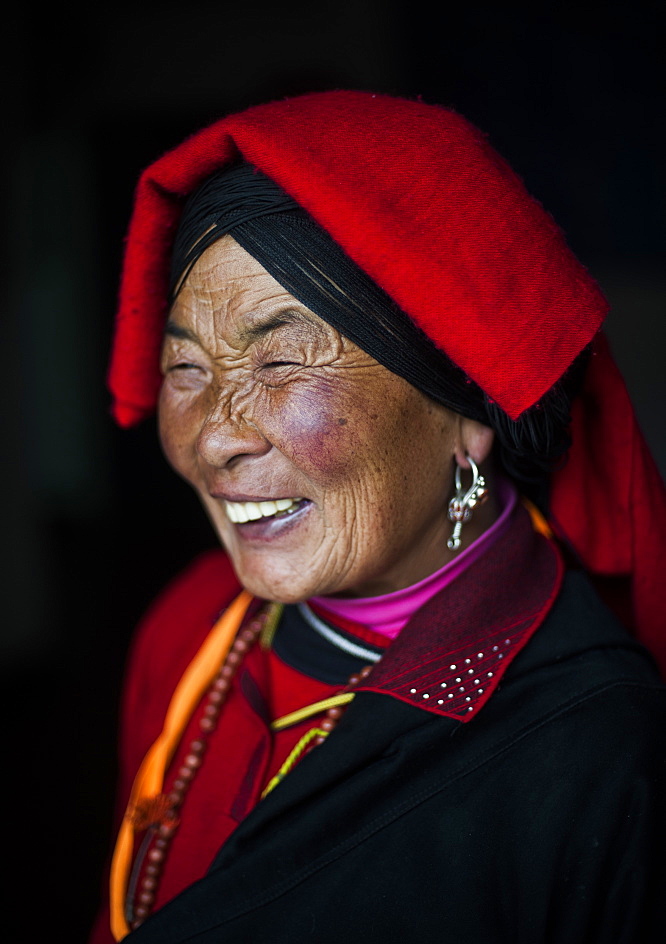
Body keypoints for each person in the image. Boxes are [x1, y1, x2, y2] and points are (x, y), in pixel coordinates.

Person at [90, 91, 666, 943]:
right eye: (186, 366)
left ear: (471, 406)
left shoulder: (603, 761)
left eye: (282, 360)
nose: (214, 436)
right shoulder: (186, 632)